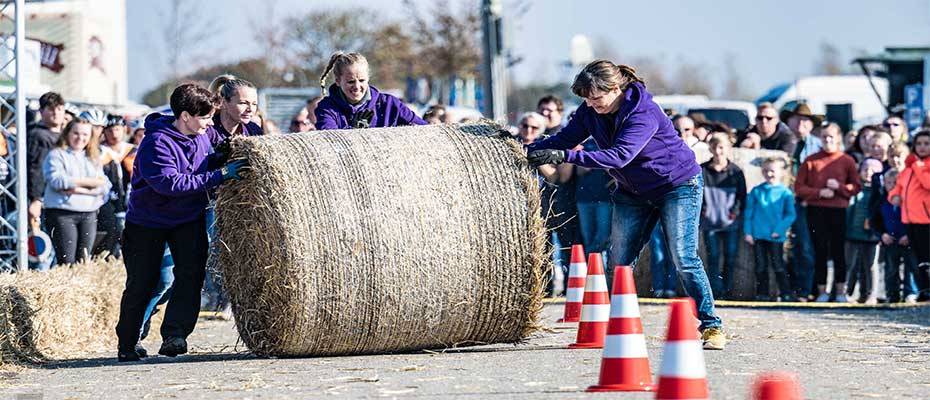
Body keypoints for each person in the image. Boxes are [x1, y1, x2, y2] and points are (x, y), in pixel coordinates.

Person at [526, 60, 725, 349]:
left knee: (683, 257)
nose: (591, 105)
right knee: (618, 261)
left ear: (616, 88)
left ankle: (711, 326)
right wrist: (528, 149)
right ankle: (619, 323)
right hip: (633, 191)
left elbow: (619, 156)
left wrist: (564, 156)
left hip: (677, 186)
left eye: (596, 98)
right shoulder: (590, 110)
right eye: (586, 100)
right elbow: (566, 138)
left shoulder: (644, 112)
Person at [114, 83, 246, 362]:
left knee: (190, 275)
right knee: (143, 282)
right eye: (206, 118)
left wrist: (215, 160)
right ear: (185, 116)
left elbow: (197, 167)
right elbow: (171, 183)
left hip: (187, 218)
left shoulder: (201, 136)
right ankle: (128, 341)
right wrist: (219, 174)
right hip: (148, 223)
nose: (211, 123)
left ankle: (175, 335)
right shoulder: (155, 143)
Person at [795, 123, 861, 302]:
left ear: (838, 138)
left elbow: (856, 186)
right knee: (820, 250)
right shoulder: (811, 160)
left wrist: (839, 187)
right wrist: (818, 193)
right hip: (816, 210)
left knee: (839, 251)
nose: (828, 140)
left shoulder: (846, 160)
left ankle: (840, 291)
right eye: (824, 137)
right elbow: (799, 187)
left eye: (831, 137)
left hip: (839, 210)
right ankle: (821, 291)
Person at [42, 117, 110, 265]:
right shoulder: (56, 155)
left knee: (84, 261)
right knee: (67, 261)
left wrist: (76, 188)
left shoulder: (93, 157)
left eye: (85, 134)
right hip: (62, 214)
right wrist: (92, 184)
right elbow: (57, 181)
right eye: (76, 133)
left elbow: (105, 186)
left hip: (89, 213)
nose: (80, 138)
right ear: (67, 133)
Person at [315, 52, 426, 130]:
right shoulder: (326, 108)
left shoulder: (389, 103)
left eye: (362, 80)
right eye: (351, 82)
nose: (357, 86)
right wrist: (353, 132)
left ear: (368, 79)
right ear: (338, 81)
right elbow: (329, 143)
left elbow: (423, 129)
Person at [701, 133, 746, 299]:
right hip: (709, 222)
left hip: (730, 223)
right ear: (710, 148)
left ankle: (726, 290)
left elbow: (742, 196)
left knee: (730, 257)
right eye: (714, 147)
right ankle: (714, 291)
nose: (718, 151)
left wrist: (734, 212)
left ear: (727, 149)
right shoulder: (703, 170)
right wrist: (703, 209)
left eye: (721, 147)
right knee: (712, 258)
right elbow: (696, 193)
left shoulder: (735, 172)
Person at [744, 157, 796, 301]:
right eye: (766, 171)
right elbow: (748, 213)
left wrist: (779, 230)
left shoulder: (785, 193)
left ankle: (785, 293)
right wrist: (748, 232)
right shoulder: (756, 191)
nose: (769, 174)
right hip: (758, 236)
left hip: (775, 237)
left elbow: (790, 215)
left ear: (781, 173)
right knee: (760, 266)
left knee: (778, 265)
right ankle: (762, 294)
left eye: (772, 171)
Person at [889, 129, 930, 301]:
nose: (922, 147)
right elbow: (896, 189)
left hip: (926, 219)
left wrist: (918, 167)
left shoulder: (921, 166)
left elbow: (928, 184)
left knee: (928, 258)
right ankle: (924, 289)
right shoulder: (908, 168)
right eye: (919, 143)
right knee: (918, 259)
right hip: (910, 220)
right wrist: (894, 196)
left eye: (926, 144)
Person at [873, 169, 919, 303]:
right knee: (891, 268)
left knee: (911, 267)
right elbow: (874, 222)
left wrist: (909, 235)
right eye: (889, 183)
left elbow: (916, 221)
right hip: (890, 240)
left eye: (895, 183)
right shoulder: (881, 201)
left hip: (906, 240)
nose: (892, 185)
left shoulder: (909, 200)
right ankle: (892, 293)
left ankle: (911, 292)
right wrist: (882, 235)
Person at [845, 159, 883, 304]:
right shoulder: (855, 189)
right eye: (865, 169)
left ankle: (871, 295)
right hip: (852, 233)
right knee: (850, 264)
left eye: (873, 170)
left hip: (872, 235)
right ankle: (846, 293)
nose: (868, 173)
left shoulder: (879, 191)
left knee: (871, 265)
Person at [94, 115, 133, 257]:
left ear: (124, 129)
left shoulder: (133, 150)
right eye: (110, 130)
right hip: (107, 201)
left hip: (130, 200)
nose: (114, 134)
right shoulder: (99, 152)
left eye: (117, 129)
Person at [27, 92, 66, 230]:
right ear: (41, 111)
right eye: (51, 109)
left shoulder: (66, 134)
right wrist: (36, 199)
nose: (56, 113)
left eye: (59, 109)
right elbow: (35, 168)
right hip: (46, 198)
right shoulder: (38, 135)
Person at [209, 75, 264, 140]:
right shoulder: (207, 130)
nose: (250, 109)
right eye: (243, 103)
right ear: (223, 102)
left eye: (254, 104)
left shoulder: (254, 131)